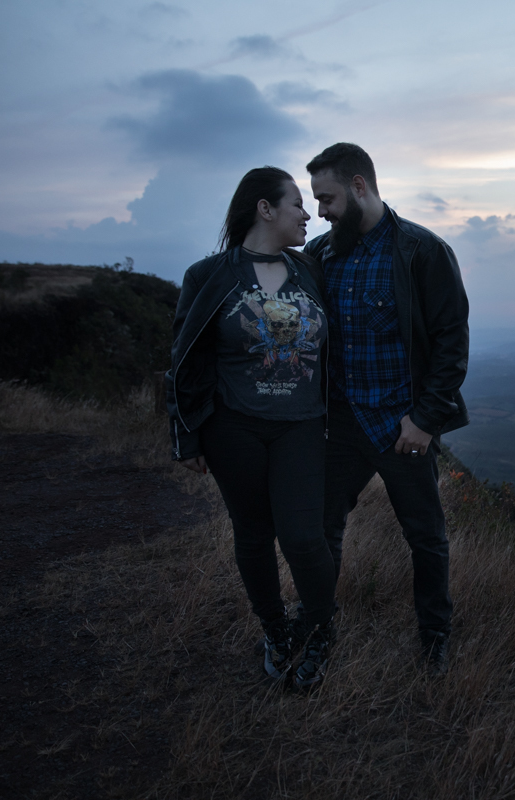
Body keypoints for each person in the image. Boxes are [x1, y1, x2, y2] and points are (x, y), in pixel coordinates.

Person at [165, 166, 335, 691]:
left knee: (304, 537)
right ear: (265, 209)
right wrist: (187, 435)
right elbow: (184, 359)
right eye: (296, 204)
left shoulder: (312, 271)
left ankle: (320, 630)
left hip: (301, 427)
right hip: (233, 429)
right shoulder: (209, 275)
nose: (306, 215)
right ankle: (275, 629)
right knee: (255, 534)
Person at [303, 143, 470, 674]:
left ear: (359, 186)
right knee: (322, 530)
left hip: (402, 426)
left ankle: (434, 639)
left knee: (426, 537)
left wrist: (425, 420)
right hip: (339, 423)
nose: (321, 212)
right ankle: (317, 629)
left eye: (327, 198)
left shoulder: (422, 250)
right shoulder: (320, 254)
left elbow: (451, 343)